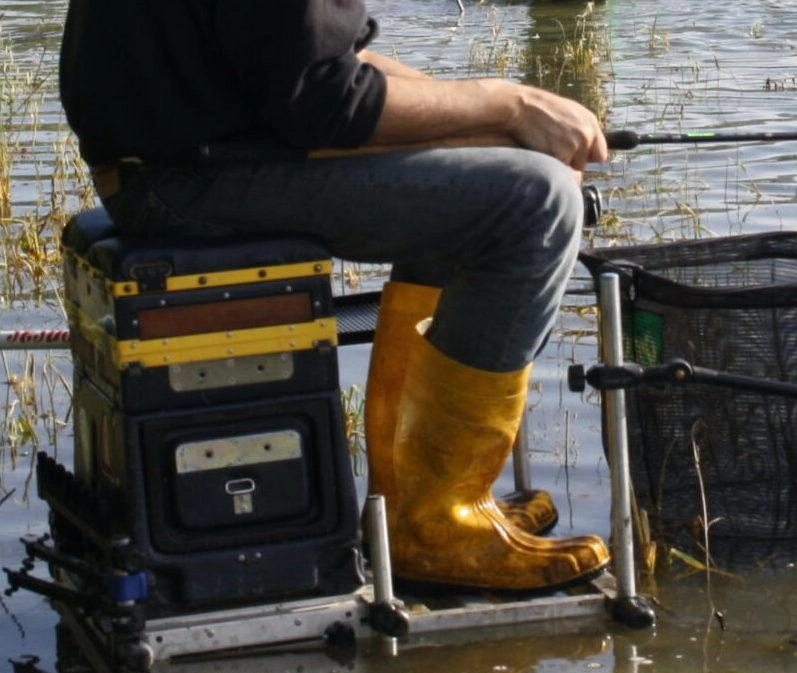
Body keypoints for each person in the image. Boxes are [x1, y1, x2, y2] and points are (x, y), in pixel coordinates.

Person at [58, 1, 610, 591]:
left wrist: (502, 128)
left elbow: (336, 65)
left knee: (491, 172)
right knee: (535, 201)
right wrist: (510, 104)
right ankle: (434, 527)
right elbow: (328, 102)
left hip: (174, 164)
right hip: (187, 182)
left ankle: (407, 501)